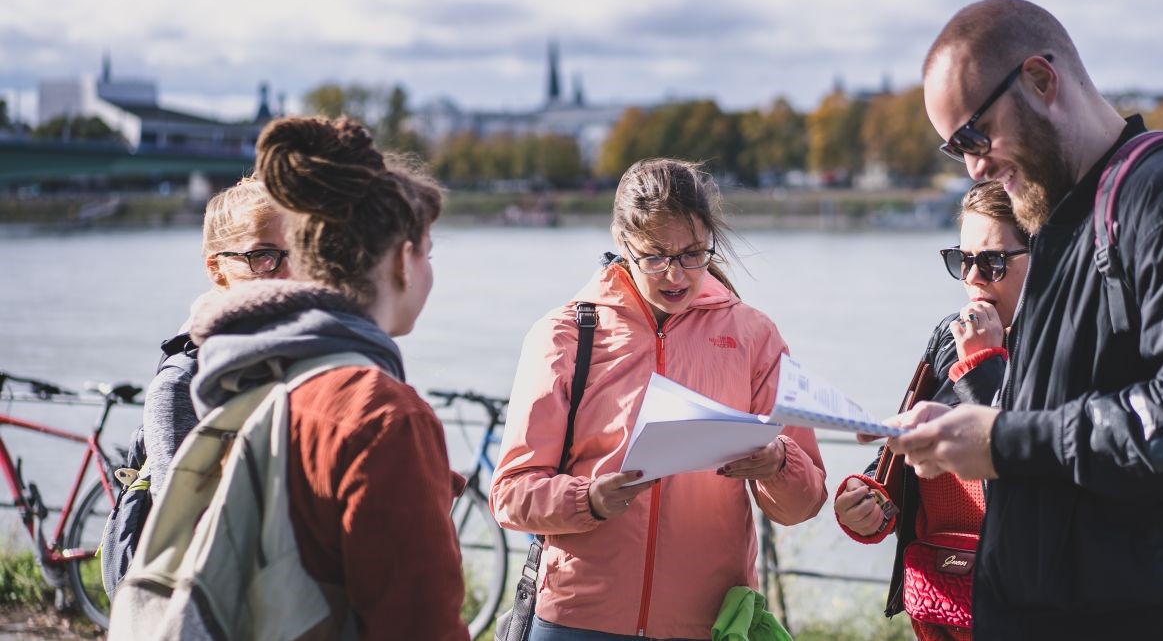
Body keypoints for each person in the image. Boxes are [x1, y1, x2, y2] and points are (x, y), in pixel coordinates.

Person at [887, 0, 1163, 640]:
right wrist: (973, 428)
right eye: (955, 150)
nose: (973, 167)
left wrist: (1002, 442)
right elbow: (1078, 409)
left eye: (974, 136)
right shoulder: (1062, 219)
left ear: (1040, 81)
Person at [490, 157, 827, 641]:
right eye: (655, 256)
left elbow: (804, 503)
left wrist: (778, 462)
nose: (676, 275)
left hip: (707, 622)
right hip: (578, 620)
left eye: (693, 254)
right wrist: (590, 500)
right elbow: (510, 494)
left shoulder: (753, 335)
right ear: (621, 242)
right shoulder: (564, 335)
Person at [186, 115, 468, 640]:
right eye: (428, 252)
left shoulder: (253, 375)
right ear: (404, 262)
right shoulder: (384, 416)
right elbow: (417, 626)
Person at [833, 181, 1027, 641]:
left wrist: (983, 362)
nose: (973, 278)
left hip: (1018, 603)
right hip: (939, 597)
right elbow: (911, 441)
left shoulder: (1072, 344)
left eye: (994, 261)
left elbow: (1028, 454)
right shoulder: (950, 332)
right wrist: (874, 499)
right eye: (964, 260)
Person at [144, 178, 296, 498]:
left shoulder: (307, 355)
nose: (286, 272)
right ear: (216, 269)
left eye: (297, 251)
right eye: (263, 255)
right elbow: (178, 531)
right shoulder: (181, 383)